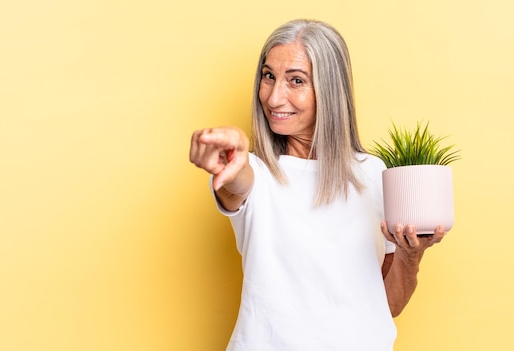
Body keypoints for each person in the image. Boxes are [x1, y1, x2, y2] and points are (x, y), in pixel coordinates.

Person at [189, 19, 446, 351]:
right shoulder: (256, 170)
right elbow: (236, 185)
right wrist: (233, 155)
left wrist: (411, 255)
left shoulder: (372, 173)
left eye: (296, 80)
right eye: (268, 76)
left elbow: (386, 306)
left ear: (330, 88)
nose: (274, 96)